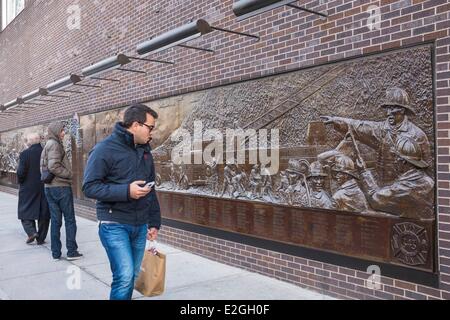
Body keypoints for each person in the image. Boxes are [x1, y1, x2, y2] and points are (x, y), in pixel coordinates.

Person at [82, 104, 161, 300]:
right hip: (114, 224)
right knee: (124, 276)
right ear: (135, 125)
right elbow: (89, 187)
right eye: (150, 127)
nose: (152, 131)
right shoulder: (103, 150)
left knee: (132, 276)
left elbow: (151, 189)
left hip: (140, 224)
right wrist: (127, 191)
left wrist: (154, 222)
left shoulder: (144, 151)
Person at [321, 87, 431, 184]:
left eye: (392, 108)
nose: (388, 113)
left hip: (406, 188)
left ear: (402, 110)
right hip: (383, 184)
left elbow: (426, 166)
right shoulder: (381, 129)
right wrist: (335, 120)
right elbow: (358, 126)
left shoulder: (418, 135)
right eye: (387, 108)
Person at [358, 137, 434, 220]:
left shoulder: (405, 187)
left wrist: (364, 173)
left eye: (396, 158)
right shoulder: (427, 180)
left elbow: (376, 199)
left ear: (402, 161)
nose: (395, 161)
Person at [41, 121, 82, 261]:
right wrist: (69, 174)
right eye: (62, 130)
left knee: (56, 221)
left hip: (50, 188)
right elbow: (53, 166)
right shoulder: (54, 144)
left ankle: (56, 253)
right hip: (60, 187)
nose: (64, 133)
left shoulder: (48, 144)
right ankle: (71, 251)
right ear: (56, 131)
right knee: (70, 220)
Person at [17, 133, 50, 245]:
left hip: (28, 187)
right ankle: (41, 238)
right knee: (44, 212)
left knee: (24, 210)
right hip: (45, 185)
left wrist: (21, 182)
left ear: (30, 141)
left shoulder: (25, 154)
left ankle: (32, 232)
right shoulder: (46, 152)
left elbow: (21, 172)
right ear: (39, 140)